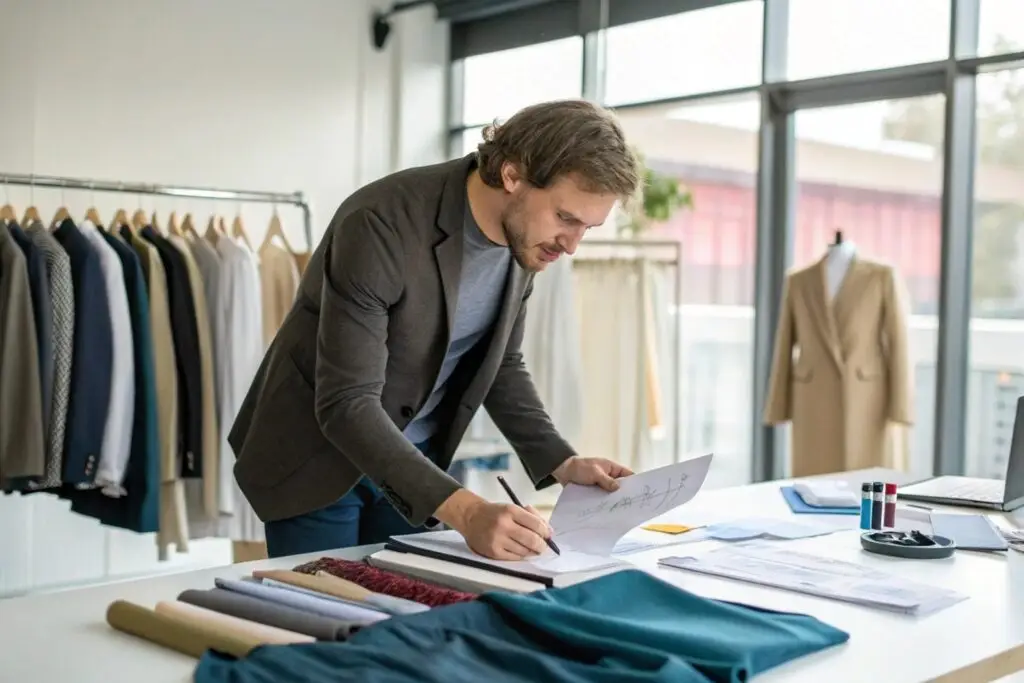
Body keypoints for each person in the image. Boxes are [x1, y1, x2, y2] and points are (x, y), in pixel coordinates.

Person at [229, 99, 642, 560]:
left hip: (417, 457)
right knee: (323, 616)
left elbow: (500, 363)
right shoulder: (381, 223)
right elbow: (347, 402)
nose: (571, 245)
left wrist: (562, 463)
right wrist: (468, 513)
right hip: (318, 457)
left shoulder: (527, 237)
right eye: (566, 218)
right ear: (512, 176)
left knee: (411, 607)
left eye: (587, 227)